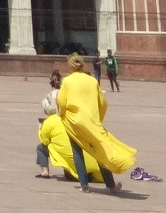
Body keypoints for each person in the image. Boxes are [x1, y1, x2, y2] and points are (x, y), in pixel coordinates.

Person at [57, 54, 132, 194]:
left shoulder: (67, 81)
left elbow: (62, 102)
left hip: (74, 120)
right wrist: (98, 119)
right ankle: (111, 185)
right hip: (92, 120)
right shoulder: (92, 81)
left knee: (77, 151)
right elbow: (103, 103)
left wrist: (62, 114)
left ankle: (84, 185)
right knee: (99, 150)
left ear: (70, 65)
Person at [38, 96, 100, 182]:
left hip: (72, 160)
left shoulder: (49, 121)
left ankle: (45, 172)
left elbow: (44, 141)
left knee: (41, 148)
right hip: (90, 160)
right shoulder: (72, 117)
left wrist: (40, 129)